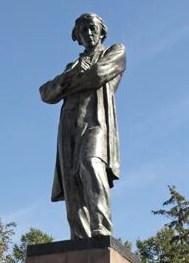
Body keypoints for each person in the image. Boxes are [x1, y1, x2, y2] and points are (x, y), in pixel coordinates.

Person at [39, 13, 126, 239]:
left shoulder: (115, 51)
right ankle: (79, 236)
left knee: (90, 163)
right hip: (68, 125)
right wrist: (69, 78)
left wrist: (67, 83)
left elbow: (97, 75)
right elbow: (46, 93)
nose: (88, 33)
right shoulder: (72, 65)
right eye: (83, 31)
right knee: (71, 180)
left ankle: (101, 228)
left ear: (101, 31)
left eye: (92, 28)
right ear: (77, 37)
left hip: (96, 121)